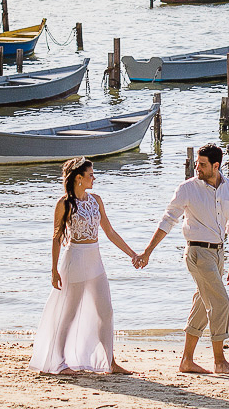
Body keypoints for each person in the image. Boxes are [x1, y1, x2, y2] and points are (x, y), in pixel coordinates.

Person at [136, 144, 229, 374]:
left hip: (218, 253)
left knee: (201, 305)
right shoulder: (187, 188)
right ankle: (219, 361)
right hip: (197, 252)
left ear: (216, 166)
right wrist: (148, 251)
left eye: (202, 164)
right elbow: (168, 220)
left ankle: (186, 361)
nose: (197, 167)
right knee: (220, 302)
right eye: (197, 163)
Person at [29, 157, 136, 375]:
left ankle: (110, 362)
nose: (93, 177)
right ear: (79, 178)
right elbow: (56, 238)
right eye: (90, 175)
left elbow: (110, 232)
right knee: (68, 314)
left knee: (105, 311)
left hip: (95, 260)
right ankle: (58, 361)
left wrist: (133, 254)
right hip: (74, 260)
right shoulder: (65, 203)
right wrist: (53, 270)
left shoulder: (96, 200)